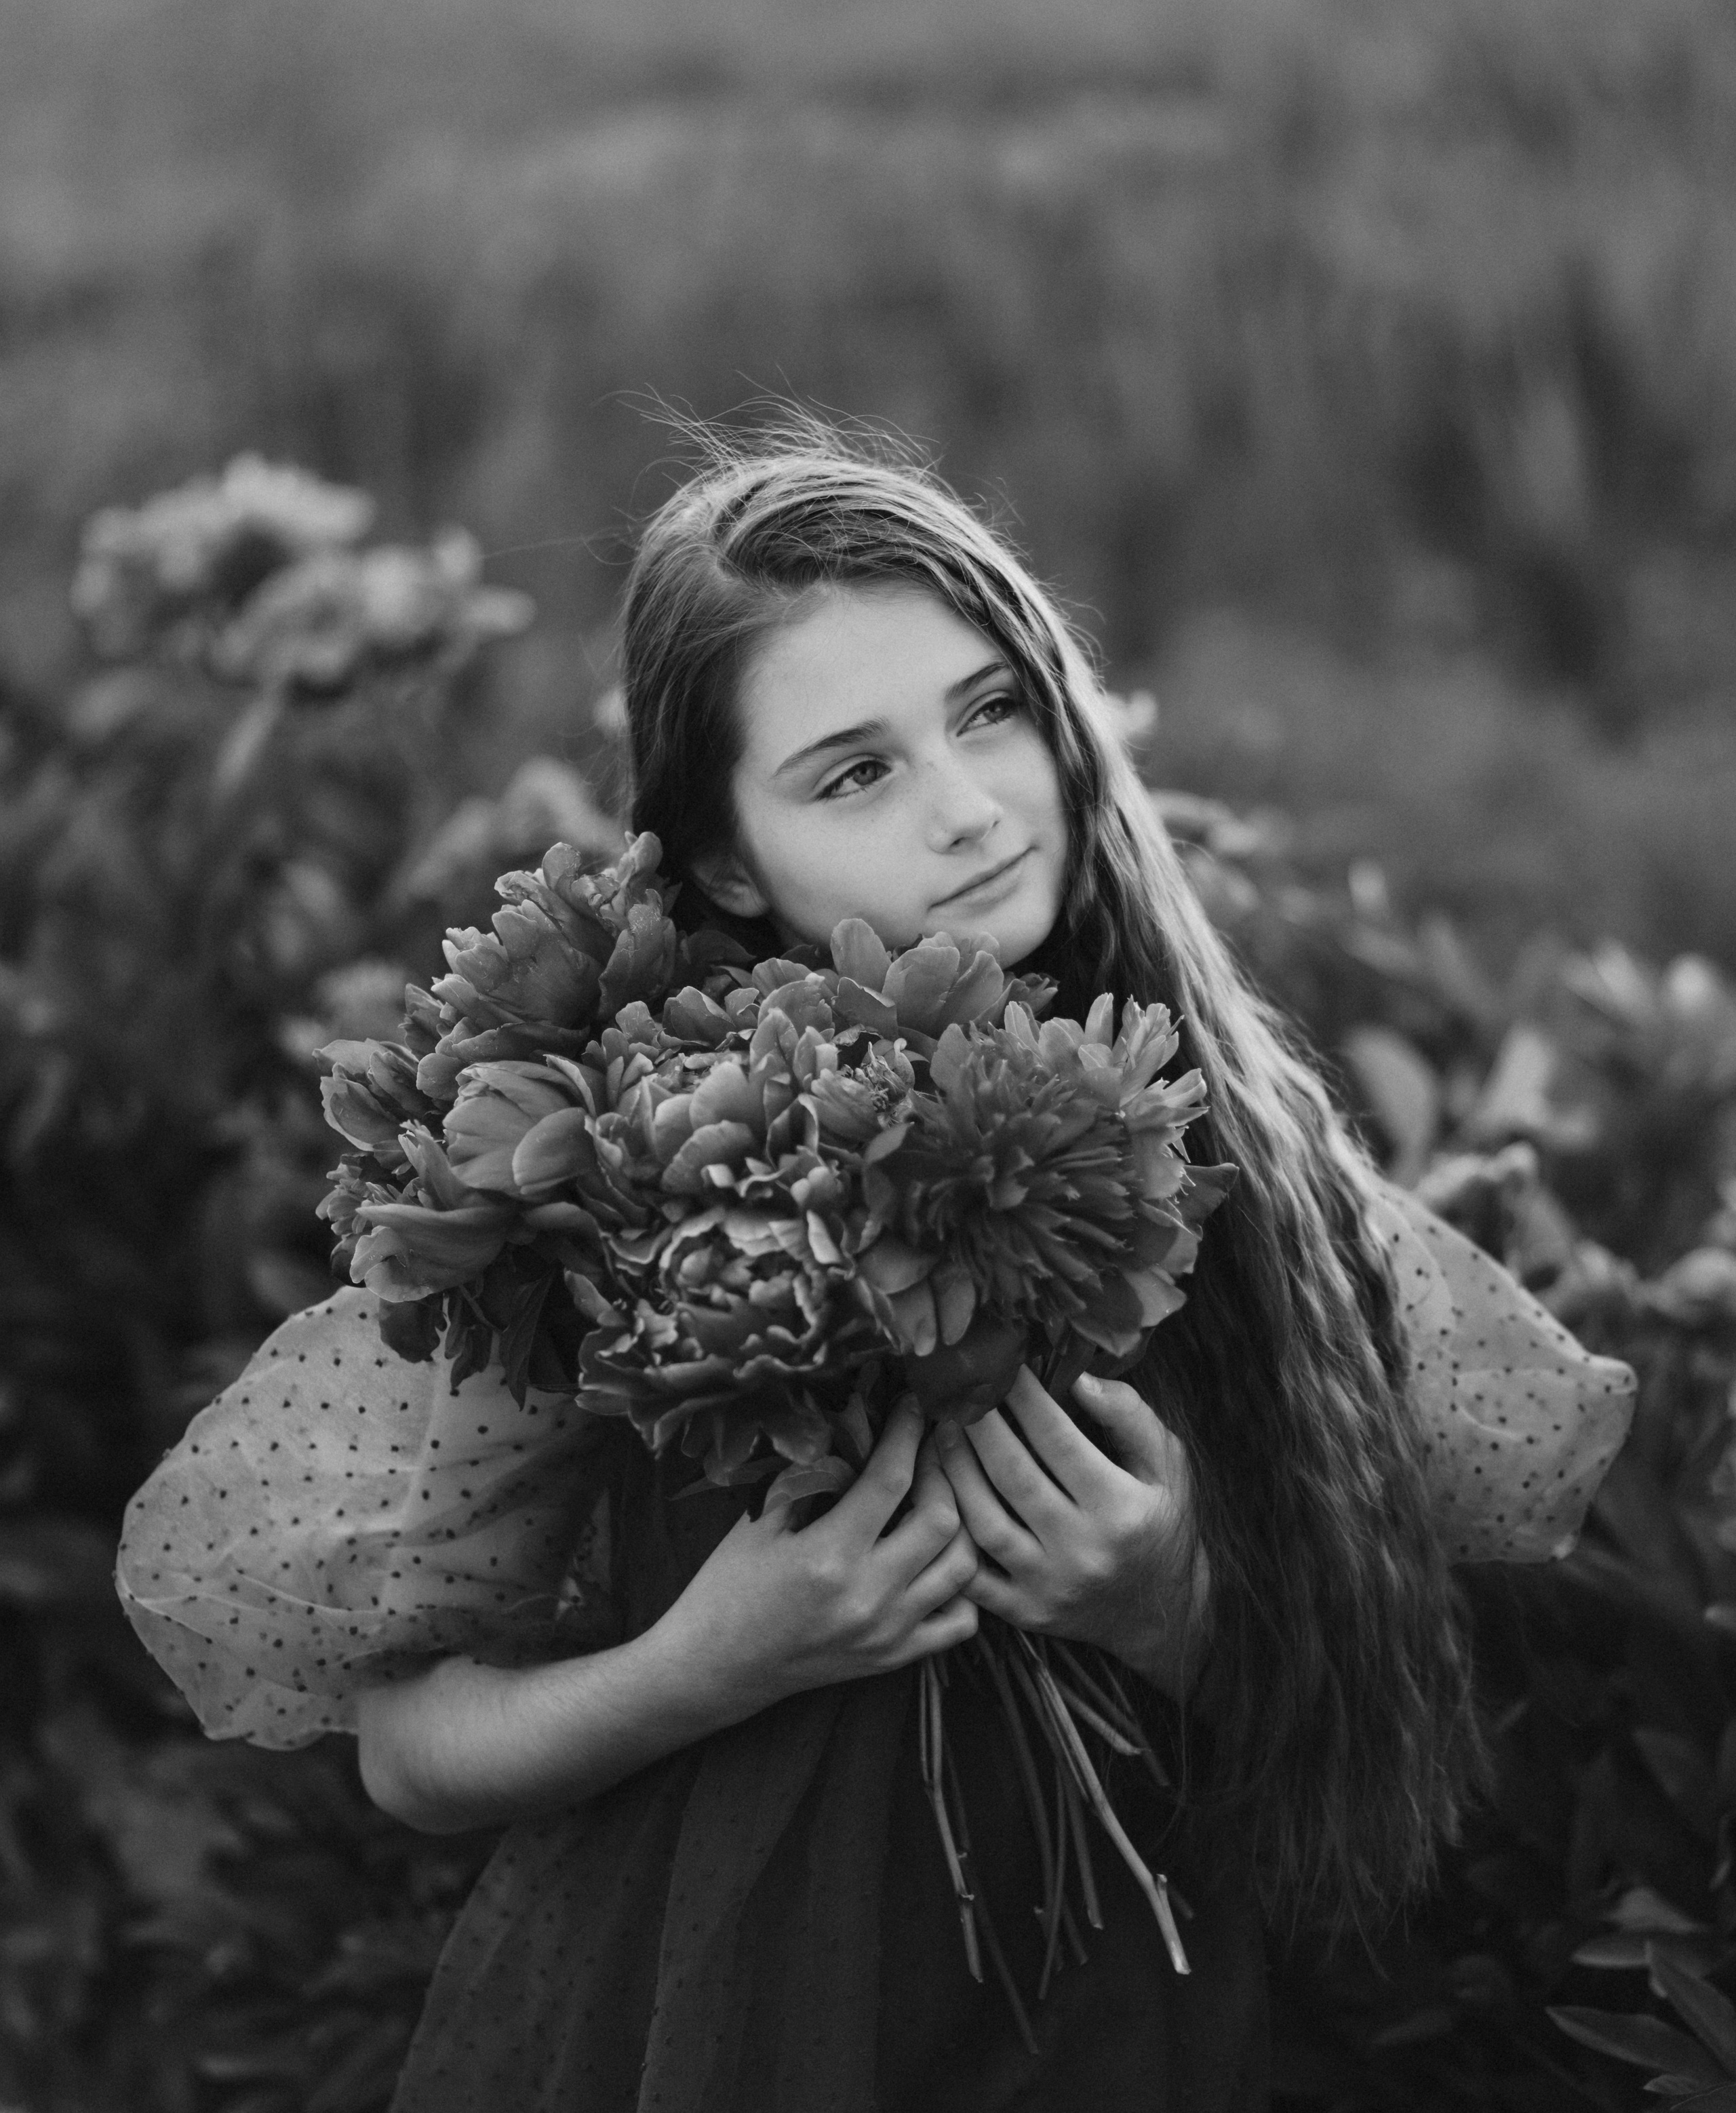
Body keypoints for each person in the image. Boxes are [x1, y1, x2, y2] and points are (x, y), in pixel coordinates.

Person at [116, 428, 1636, 2112]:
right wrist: (706, 1664)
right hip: (711, 2037)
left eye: (991, 710)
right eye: (852, 774)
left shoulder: (1248, 1147)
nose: (968, 809)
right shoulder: (623, 1161)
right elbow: (411, 1753)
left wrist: (1171, 1608)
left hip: (1116, 2042)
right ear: (721, 862)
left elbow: (1423, 1687)